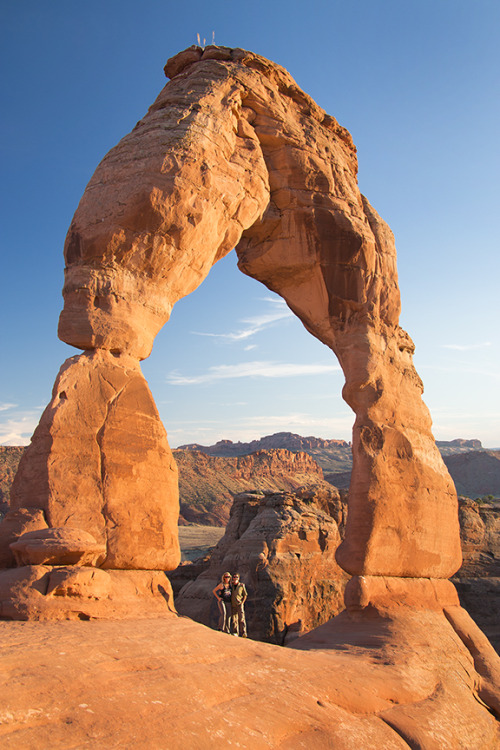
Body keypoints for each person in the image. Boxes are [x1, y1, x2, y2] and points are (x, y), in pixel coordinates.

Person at [230, 573, 248, 637]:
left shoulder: (241, 586)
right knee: (234, 619)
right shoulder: (231, 585)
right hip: (233, 604)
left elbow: (245, 595)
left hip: (239, 604)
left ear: (239, 578)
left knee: (241, 618)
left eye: (236, 577)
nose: (235, 578)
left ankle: (243, 632)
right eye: (234, 577)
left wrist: (242, 602)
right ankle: (235, 632)